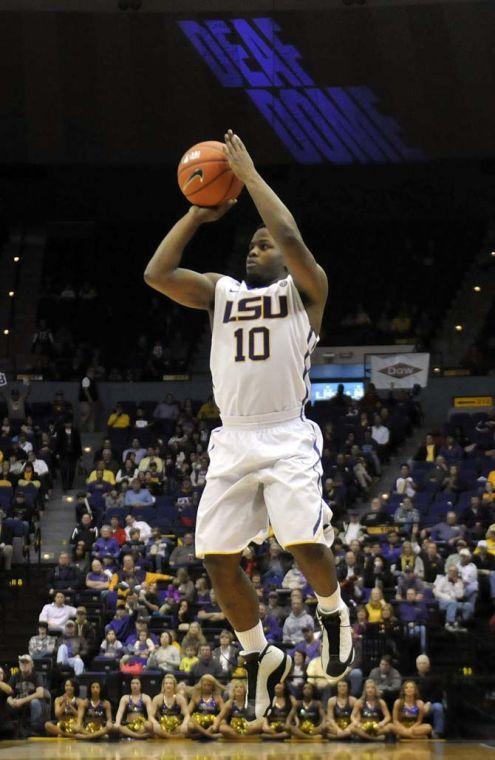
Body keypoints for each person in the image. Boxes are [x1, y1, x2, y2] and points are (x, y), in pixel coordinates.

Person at [144, 130, 353, 718]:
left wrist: (250, 175)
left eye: (264, 246)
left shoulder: (306, 291)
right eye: (251, 246)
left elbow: (287, 233)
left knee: (303, 539)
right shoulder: (221, 292)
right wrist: (198, 211)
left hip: (286, 432)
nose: (255, 250)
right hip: (233, 437)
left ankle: (333, 613)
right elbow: (158, 273)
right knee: (215, 557)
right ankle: (260, 653)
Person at [7, 654, 47, 737]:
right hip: (18, 703)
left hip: (32, 703)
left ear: (32, 665)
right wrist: (11, 702)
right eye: (22, 663)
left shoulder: (37, 676)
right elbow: (7, 694)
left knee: (35, 702)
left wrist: (22, 701)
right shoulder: (14, 677)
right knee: (5, 702)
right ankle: (10, 729)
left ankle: (34, 729)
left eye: (26, 663)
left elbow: (40, 693)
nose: (24, 665)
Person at [414, 654, 445, 737]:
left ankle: (437, 733)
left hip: (429, 705)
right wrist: (418, 703)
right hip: (414, 705)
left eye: (424, 663)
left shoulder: (435, 677)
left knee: (438, 707)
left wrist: (429, 702)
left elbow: (438, 693)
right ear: (416, 665)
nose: (421, 665)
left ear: (428, 664)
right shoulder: (412, 677)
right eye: (419, 663)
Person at [150, 674, 189, 738]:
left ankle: (165, 736)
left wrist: (184, 723)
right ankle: (172, 737)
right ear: (163, 686)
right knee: (149, 725)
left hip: (176, 726)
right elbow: (151, 715)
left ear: (174, 686)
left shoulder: (180, 698)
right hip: (162, 726)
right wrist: (155, 723)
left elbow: (187, 715)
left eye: (170, 683)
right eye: (166, 683)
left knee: (189, 726)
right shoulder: (157, 698)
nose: (168, 685)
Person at [186, 674, 224, 738]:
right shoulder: (196, 696)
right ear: (201, 685)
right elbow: (188, 711)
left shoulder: (217, 697)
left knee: (223, 723)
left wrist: (217, 721)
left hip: (212, 722)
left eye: (209, 685)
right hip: (199, 722)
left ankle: (200, 735)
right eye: (204, 685)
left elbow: (223, 712)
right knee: (190, 724)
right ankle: (209, 735)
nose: (206, 687)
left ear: (212, 686)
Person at [55, 418, 82, 491]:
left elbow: (78, 443)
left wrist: (80, 454)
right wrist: (57, 453)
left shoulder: (75, 430)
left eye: (70, 423)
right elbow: (57, 442)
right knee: (63, 470)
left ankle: (70, 484)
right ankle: (64, 485)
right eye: (67, 423)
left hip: (73, 454)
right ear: (64, 424)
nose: (68, 425)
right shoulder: (60, 431)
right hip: (63, 454)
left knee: (72, 470)